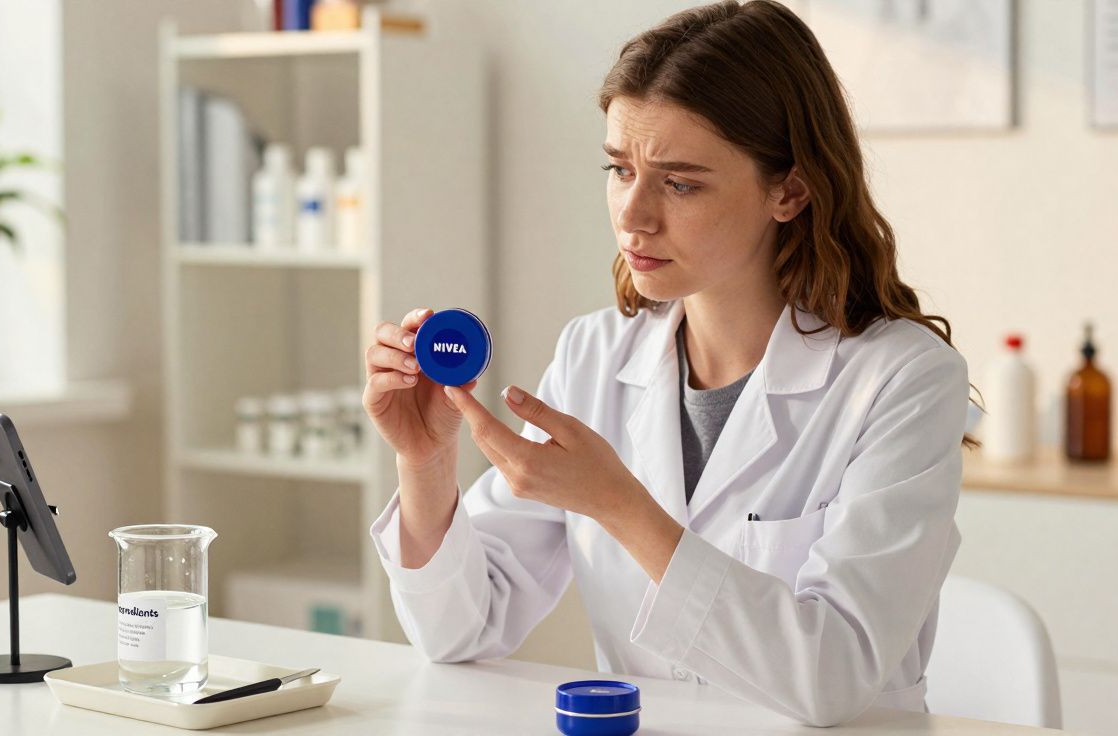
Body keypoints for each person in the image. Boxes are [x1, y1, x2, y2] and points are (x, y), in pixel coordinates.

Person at [361, 0, 973, 727]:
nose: (633, 215)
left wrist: (619, 504)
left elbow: (830, 676)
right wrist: (426, 466)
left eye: (680, 183)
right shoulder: (595, 356)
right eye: (620, 169)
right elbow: (460, 631)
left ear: (790, 190)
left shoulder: (903, 380)